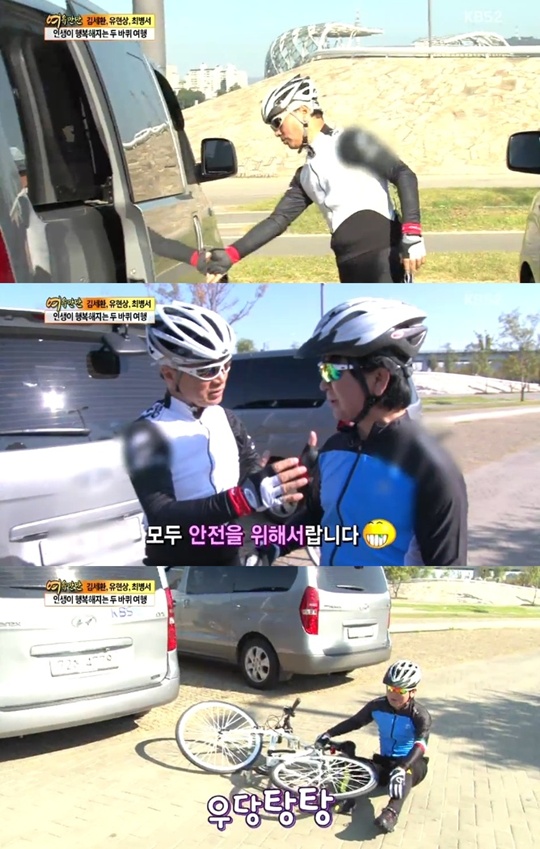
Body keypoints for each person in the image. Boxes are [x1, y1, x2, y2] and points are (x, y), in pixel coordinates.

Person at [253, 297, 468, 566]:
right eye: (322, 370)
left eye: (332, 371)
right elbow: (318, 519)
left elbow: (447, 569)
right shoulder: (333, 448)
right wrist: (269, 546)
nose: (323, 385)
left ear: (379, 379)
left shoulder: (430, 469)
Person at [121, 301, 308, 566]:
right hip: (177, 560)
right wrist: (243, 499)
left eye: (226, 365)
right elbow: (161, 514)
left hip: (228, 552)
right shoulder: (145, 433)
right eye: (207, 370)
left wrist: (287, 480)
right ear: (169, 374)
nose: (221, 377)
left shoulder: (226, 418)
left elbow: (249, 474)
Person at [200, 74, 426, 283]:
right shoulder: (305, 175)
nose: (276, 132)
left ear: (303, 111)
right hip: (347, 267)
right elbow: (277, 220)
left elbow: (404, 174)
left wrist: (412, 233)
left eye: (277, 122)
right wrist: (231, 254)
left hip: (385, 260)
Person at [316, 659, 432, 833]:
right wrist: (329, 734)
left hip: (412, 764)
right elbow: (355, 722)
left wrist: (402, 767)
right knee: (347, 765)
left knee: (404, 774)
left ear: (413, 692)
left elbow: (421, 745)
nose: (393, 693)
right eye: (390, 688)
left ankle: (391, 813)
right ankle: (347, 797)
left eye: (400, 690)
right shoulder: (377, 706)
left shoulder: (420, 715)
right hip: (385, 762)